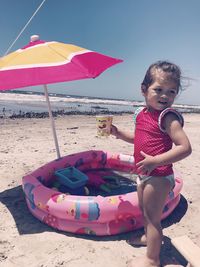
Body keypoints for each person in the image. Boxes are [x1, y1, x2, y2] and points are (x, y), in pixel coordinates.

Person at [111, 61, 192, 267]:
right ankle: (148, 238)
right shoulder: (142, 113)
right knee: (145, 211)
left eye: (171, 91)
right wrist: (119, 133)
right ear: (144, 89)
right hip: (144, 173)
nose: (165, 96)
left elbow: (185, 147)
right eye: (159, 89)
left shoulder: (168, 118)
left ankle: (152, 259)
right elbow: (138, 138)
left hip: (159, 175)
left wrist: (155, 161)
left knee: (153, 217)